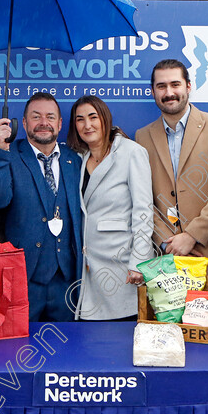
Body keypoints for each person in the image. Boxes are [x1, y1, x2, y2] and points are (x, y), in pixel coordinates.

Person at [0, 92, 82, 322]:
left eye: (50, 117)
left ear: (59, 123)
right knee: (21, 350)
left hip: (66, 281)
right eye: (36, 117)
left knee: (65, 350)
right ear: (25, 123)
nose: (43, 123)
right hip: (24, 277)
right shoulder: (10, 153)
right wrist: (0, 149)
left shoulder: (74, 159)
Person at [135, 59, 208, 259]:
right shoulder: (142, 137)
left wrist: (192, 235)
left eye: (175, 84)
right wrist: (167, 242)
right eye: (161, 86)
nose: (169, 93)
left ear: (188, 86)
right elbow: (143, 199)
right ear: (153, 91)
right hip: (168, 257)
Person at [66, 95, 154, 320]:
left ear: (105, 118)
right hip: (87, 266)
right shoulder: (78, 157)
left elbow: (143, 211)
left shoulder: (131, 152)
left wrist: (139, 261)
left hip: (121, 263)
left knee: (119, 337)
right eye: (80, 119)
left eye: (93, 117)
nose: (87, 125)